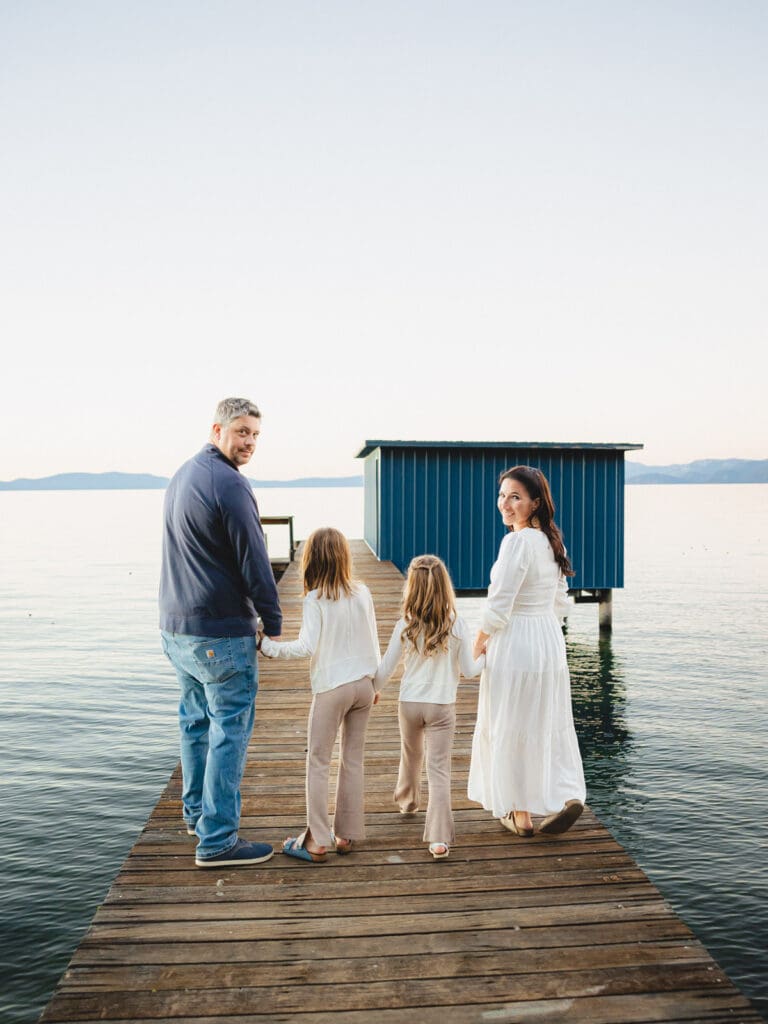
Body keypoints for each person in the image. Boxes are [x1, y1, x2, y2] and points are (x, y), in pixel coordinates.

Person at [159, 397, 282, 868]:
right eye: (242, 432)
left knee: (195, 723)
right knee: (229, 732)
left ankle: (195, 814)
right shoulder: (230, 484)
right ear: (218, 430)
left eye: (255, 434)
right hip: (219, 634)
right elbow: (255, 561)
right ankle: (217, 841)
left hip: (177, 629)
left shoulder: (183, 476)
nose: (249, 442)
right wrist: (272, 623)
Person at [468, 465, 586, 837]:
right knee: (546, 720)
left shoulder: (516, 543)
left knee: (510, 721)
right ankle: (566, 794)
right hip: (547, 641)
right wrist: (543, 630)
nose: (506, 504)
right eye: (502, 495)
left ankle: (520, 814)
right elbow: (561, 603)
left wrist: (478, 644)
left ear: (535, 503)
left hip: (516, 639)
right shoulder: (554, 543)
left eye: (515, 497)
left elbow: (499, 606)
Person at [260, 528, 380, 863]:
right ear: (344, 556)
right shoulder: (363, 592)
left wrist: (267, 647)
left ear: (311, 559)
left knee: (319, 761)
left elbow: (306, 647)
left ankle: (315, 840)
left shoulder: (315, 598)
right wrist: (376, 685)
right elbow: (373, 641)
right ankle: (346, 834)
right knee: (352, 759)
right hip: (363, 685)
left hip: (332, 688)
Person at [374, 555, 484, 860]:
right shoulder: (457, 624)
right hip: (441, 707)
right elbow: (470, 670)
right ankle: (437, 840)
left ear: (412, 587)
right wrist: (485, 655)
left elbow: (385, 669)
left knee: (410, 756)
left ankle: (407, 801)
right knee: (438, 770)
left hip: (409, 703)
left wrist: (371, 690)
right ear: (444, 586)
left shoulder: (404, 625)